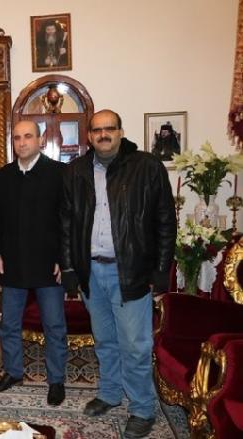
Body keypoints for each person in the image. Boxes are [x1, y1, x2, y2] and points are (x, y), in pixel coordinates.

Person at [60, 110, 176, 438]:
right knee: (105, 340)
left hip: (131, 271)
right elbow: (66, 224)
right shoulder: (76, 171)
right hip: (91, 272)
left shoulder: (147, 166)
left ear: (121, 132)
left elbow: (166, 221)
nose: (103, 134)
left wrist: (161, 270)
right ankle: (110, 393)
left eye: (109, 128)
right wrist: (69, 268)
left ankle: (142, 408)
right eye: (97, 130)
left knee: (135, 345)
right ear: (89, 136)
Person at [0, 120, 68, 405]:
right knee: (9, 324)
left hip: (48, 265)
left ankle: (56, 380)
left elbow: (67, 221)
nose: (22, 142)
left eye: (28, 137)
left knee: (54, 326)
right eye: (17, 138)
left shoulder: (59, 173)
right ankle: (13, 372)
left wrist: (64, 259)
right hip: (13, 264)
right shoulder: (4, 176)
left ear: (40, 140)